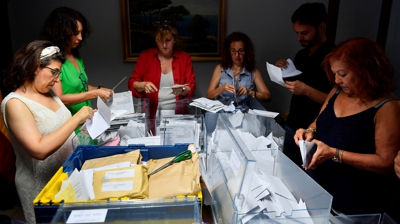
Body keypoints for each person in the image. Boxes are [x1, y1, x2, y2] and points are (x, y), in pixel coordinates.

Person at [294, 38, 400, 216]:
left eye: (342, 74)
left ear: (366, 71)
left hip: (353, 202)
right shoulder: (336, 91)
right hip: (319, 187)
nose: (337, 80)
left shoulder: (387, 107)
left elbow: (386, 164)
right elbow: (317, 122)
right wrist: (308, 131)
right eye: (334, 74)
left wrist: (335, 153)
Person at [1, 40, 95, 223]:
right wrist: (76, 118)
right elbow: (39, 149)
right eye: (54, 72)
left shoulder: (48, 92)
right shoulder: (15, 104)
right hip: (42, 187)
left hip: (67, 177)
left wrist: (86, 124)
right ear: (35, 66)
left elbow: (62, 129)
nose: (57, 79)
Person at [275, 2, 335, 168]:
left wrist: (307, 90)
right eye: (297, 33)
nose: (299, 38)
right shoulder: (301, 54)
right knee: (287, 171)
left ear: (321, 26)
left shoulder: (334, 57)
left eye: (304, 33)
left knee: (309, 176)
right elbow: (296, 82)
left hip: (316, 133)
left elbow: (335, 102)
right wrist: (284, 71)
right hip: (293, 125)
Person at [40, 7, 113, 117]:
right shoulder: (53, 60)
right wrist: (95, 93)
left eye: (81, 33)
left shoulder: (76, 56)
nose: (80, 38)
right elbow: (59, 98)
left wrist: (99, 89)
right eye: (75, 33)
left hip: (86, 120)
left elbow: (80, 86)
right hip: (69, 123)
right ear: (61, 32)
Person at [128, 20, 196, 119]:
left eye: (168, 40)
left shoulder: (184, 58)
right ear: (156, 40)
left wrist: (183, 89)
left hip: (178, 114)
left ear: (174, 39)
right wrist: (142, 85)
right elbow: (132, 83)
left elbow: (191, 85)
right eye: (160, 40)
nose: (164, 45)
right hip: (151, 114)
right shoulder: (145, 57)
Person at [206, 32, 271, 109]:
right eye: (233, 51)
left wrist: (250, 92)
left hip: (245, 112)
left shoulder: (254, 71)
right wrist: (221, 88)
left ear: (247, 52)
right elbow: (209, 96)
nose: (237, 55)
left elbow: (268, 97)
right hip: (223, 112)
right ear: (228, 52)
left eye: (241, 51)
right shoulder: (220, 68)